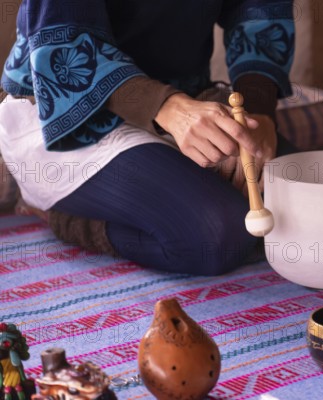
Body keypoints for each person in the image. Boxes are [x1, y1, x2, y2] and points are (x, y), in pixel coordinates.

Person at [0, 0, 295, 275]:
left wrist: (258, 114)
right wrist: (167, 108)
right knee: (218, 232)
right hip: (69, 110)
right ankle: (66, 219)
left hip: (188, 103)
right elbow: (64, 43)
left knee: (301, 203)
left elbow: (258, 8)